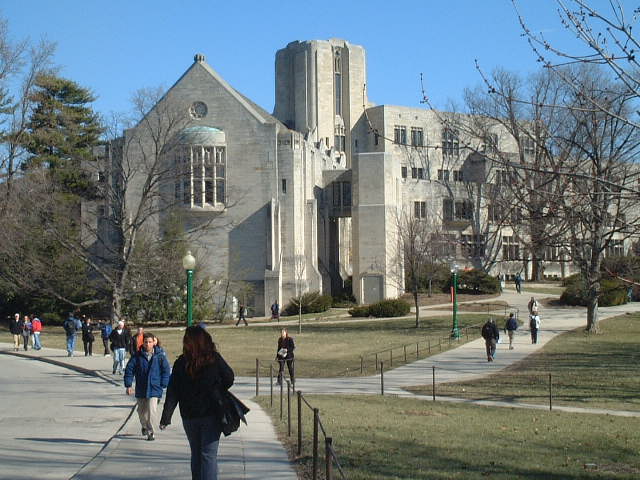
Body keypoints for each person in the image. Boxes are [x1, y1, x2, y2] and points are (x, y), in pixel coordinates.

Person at [160, 326, 234, 480]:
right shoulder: (213, 358)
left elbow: (172, 391)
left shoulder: (181, 363)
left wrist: (166, 417)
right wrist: (217, 388)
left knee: (196, 454)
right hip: (211, 413)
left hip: (189, 415)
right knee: (208, 455)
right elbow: (229, 377)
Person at [124, 332, 171, 441]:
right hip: (141, 387)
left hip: (155, 388)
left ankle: (151, 432)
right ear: (143, 343)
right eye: (146, 342)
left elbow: (166, 370)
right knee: (141, 411)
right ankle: (144, 426)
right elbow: (129, 370)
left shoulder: (160, 356)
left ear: (154, 342)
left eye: (150, 342)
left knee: (152, 410)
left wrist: (164, 382)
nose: (148, 344)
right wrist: (128, 385)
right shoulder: (137, 356)